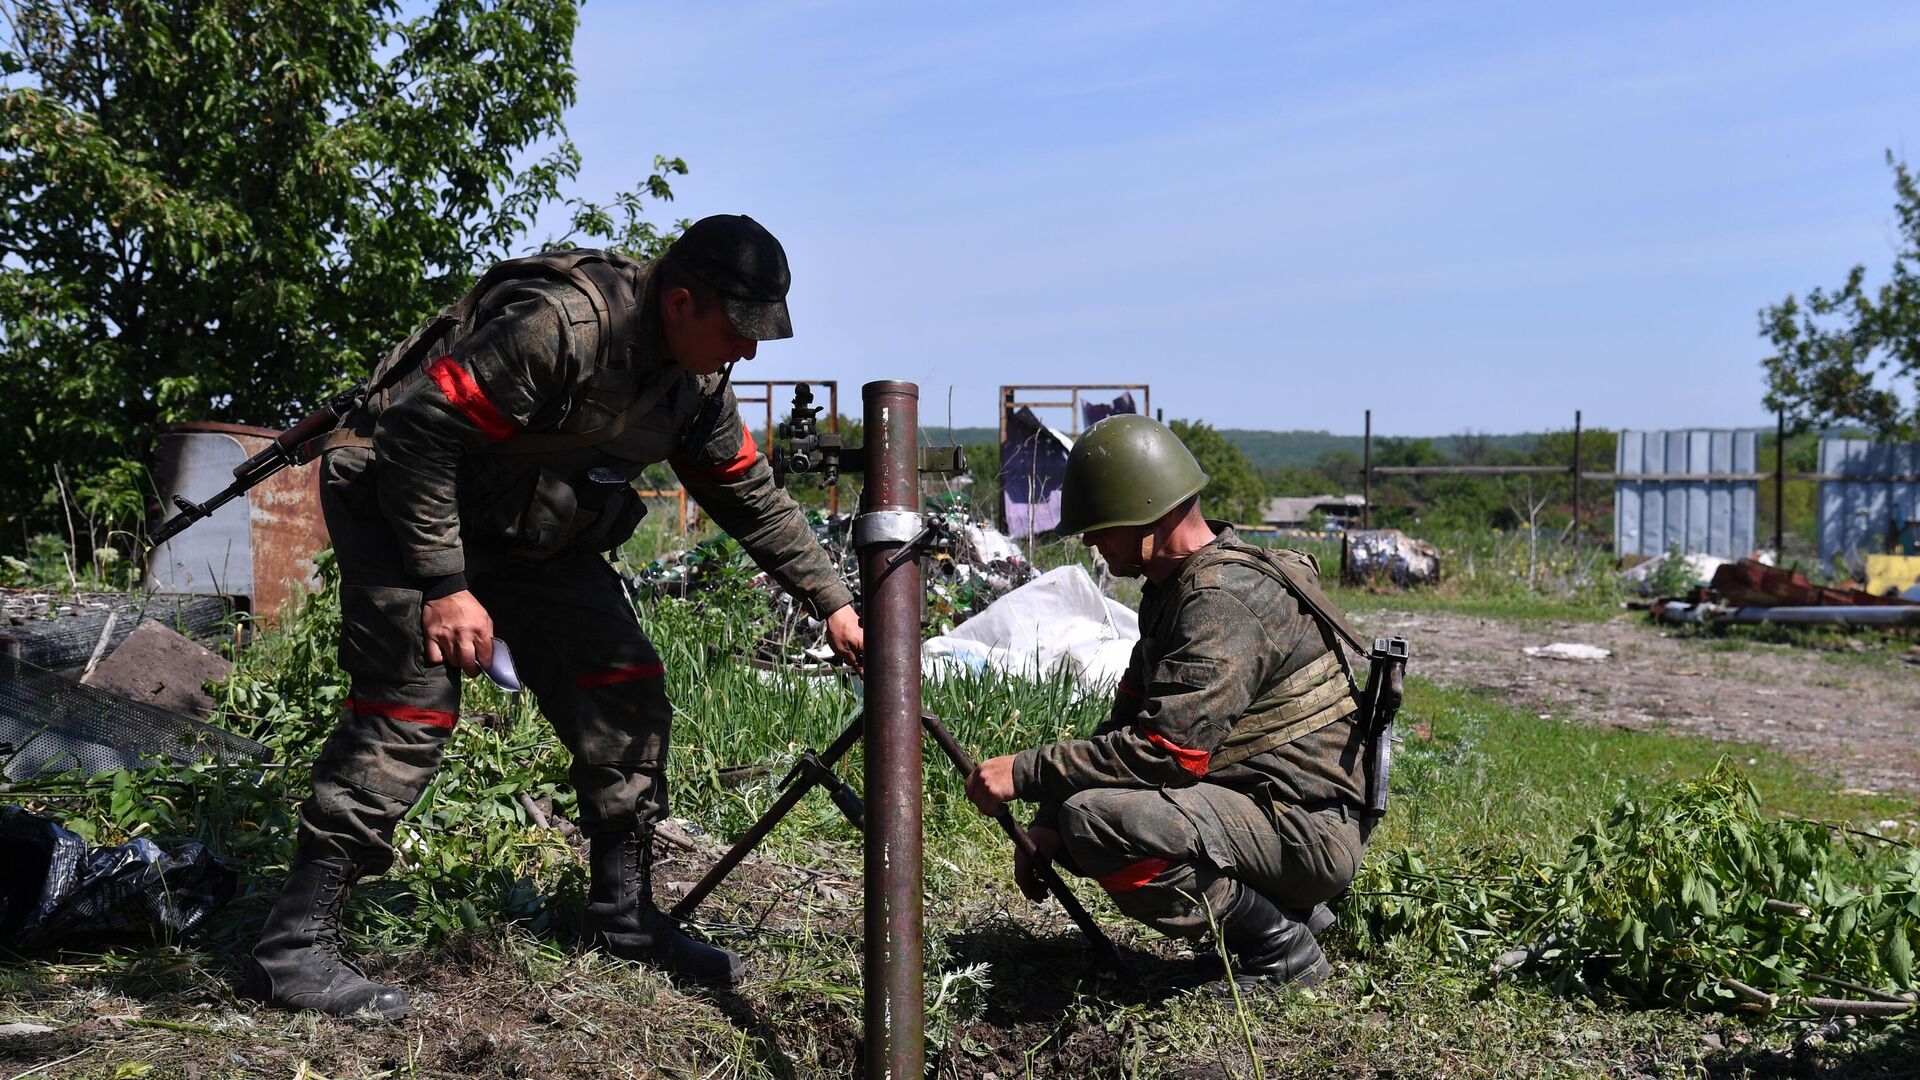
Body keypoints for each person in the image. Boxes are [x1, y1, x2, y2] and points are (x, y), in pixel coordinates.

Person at [244, 216, 862, 1020]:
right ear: (681, 301)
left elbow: (747, 491)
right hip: (406, 508)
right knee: (410, 706)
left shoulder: (694, 382)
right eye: (737, 332)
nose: (746, 353)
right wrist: (444, 586)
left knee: (623, 683)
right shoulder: (558, 329)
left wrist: (835, 604)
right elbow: (417, 437)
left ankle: (624, 916)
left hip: (525, 529)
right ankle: (292, 947)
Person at [964, 415, 1371, 993]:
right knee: (1077, 819)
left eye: (1100, 527)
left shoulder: (1222, 602)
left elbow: (1165, 754)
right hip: (1269, 808)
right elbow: (1126, 723)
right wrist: (1048, 819)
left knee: (1099, 823)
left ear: (1146, 516)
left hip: (1305, 830)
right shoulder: (1172, 592)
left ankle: (1280, 949)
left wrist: (1027, 773)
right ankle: (1283, 915)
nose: (1089, 543)